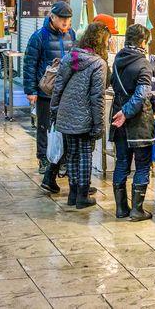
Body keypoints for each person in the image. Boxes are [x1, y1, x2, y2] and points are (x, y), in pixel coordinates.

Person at [50, 21, 110, 209]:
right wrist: (99, 124)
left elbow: (58, 86)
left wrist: (55, 110)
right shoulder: (98, 64)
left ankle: (73, 193)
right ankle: (82, 196)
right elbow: (97, 97)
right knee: (85, 154)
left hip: (66, 113)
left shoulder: (71, 56)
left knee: (72, 154)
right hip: (84, 115)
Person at [110, 24, 155, 221]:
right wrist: (127, 112)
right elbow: (141, 93)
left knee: (121, 163)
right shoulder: (143, 63)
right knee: (143, 165)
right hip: (138, 122)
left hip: (118, 119)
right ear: (143, 41)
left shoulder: (118, 59)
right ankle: (137, 210)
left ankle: (121, 209)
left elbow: (115, 84)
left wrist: (122, 112)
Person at [23, 2, 76, 173]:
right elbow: (29, 64)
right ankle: (43, 159)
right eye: (62, 19)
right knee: (44, 126)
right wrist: (30, 90)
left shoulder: (72, 35)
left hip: (66, 92)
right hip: (45, 91)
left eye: (68, 19)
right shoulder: (39, 36)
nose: (65, 23)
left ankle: (62, 160)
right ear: (52, 17)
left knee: (64, 127)